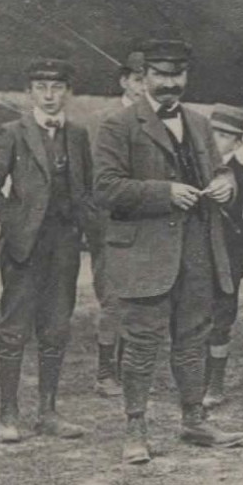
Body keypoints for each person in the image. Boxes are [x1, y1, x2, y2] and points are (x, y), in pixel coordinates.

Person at [93, 39, 243, 464]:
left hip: (197, 249)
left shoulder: (199, 124)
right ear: (144, 78)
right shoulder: (118, 126)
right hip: (145, 253)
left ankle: (194, 420)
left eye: (176, 75)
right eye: (160, 76)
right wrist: (164, 192)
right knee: (142, 342)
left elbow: (220, 171)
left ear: (186, 77)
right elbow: (105, 188)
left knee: (193, 338)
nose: (169, 84)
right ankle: (135, 429)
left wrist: (225, 184)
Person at [0, 58, 92, 442]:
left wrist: (83, 228)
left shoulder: (77, 135)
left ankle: (48, 412)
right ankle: (8, 414)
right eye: (41, 87)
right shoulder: (14, 133)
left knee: (56, 328)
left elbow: (85, 191)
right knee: (14, 330)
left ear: (68, 92)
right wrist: (15, 220)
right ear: (30, 93)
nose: (50, 95)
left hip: (64, 247)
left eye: (57, 87)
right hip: (25, 248)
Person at [202, 104, 243, 409]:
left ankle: (214, 384)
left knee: (221, 318)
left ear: (238, 143)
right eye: (213, 133)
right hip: (194, 255)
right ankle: (192, 381)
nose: (217, 140)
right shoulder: (190, 170)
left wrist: (235, 233)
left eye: (225, 135)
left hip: (228, 258)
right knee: (191, 318)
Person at [89, 50, 147, 397]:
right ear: (125, 81)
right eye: (138, 79)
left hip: (146, 220)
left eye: (148, 79)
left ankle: (129, 368)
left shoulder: (156, 119)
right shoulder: (107, 119)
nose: (144, 87)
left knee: (140, 295)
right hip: (111, 221)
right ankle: (105, 372)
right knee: (113, 298)